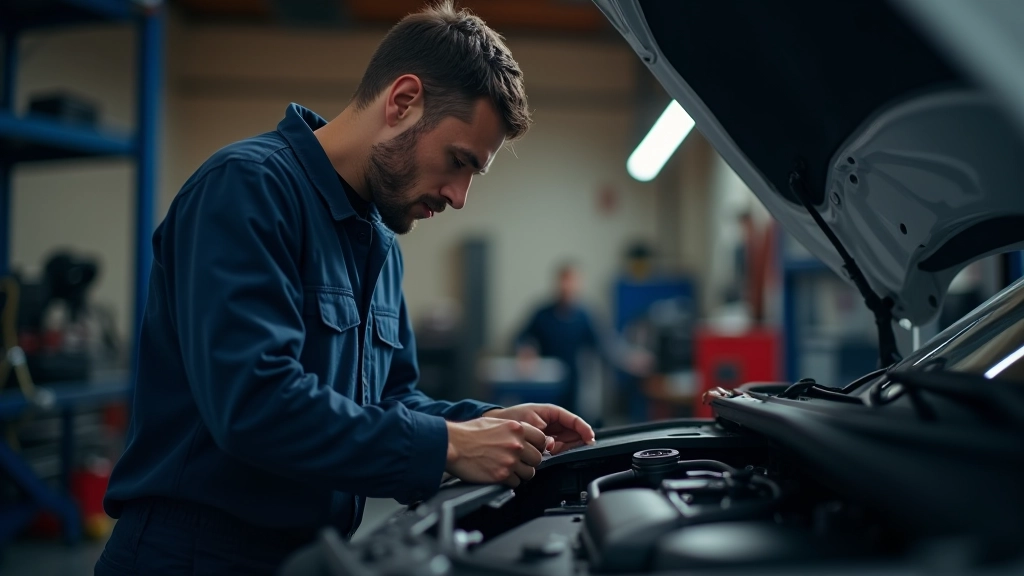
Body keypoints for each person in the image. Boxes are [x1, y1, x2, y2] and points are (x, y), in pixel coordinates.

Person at [95, 3, 595, 574]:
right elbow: (255, 404)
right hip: (193, 555)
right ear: (403, 101)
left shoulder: (378, 242)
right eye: (457, 162)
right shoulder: (248, 189)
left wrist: (497, 425)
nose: (459, 197)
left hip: (313, 555)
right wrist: (452, 446)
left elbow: (389, 403)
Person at [515, 263, 651, 421]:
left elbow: (606, 346)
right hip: (548, 387)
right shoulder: (542, 314)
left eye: (571, 281)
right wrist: (526, 349)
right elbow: (521, 337)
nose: (567, 286)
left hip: (576, 386)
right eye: (564, 281)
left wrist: (629, 359)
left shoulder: (584, 316)